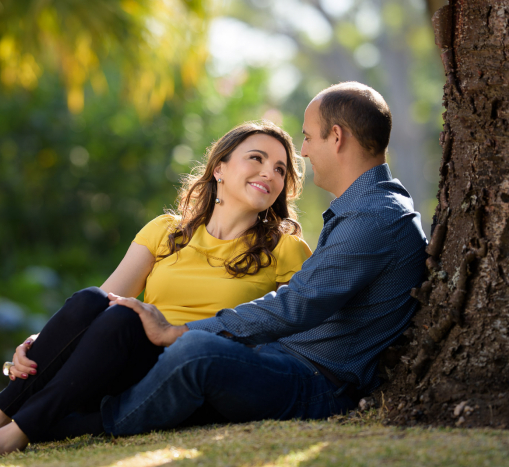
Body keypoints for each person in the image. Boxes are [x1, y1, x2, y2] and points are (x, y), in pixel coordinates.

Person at [0, 120, 313, 458]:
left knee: (125, 321)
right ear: (220, 169)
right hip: (125, 359)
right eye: (257, 158)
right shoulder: (166, 230)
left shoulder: (286, 249)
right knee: (96, 303)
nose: (270, 173)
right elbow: (102, 301)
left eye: (281, 169)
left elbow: (294, 322)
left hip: (193, 367)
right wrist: (43, 342)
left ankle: (7, 434)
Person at [100, 81, 428, 435]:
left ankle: (96, 423)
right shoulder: (369, 207)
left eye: (308, 137)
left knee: (197, 351)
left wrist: (180, 331)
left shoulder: (373, 216)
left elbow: (296, 305)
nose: (303, 151)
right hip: (287, 361)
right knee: (179, 346)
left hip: (320, 383)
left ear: (336, 137)